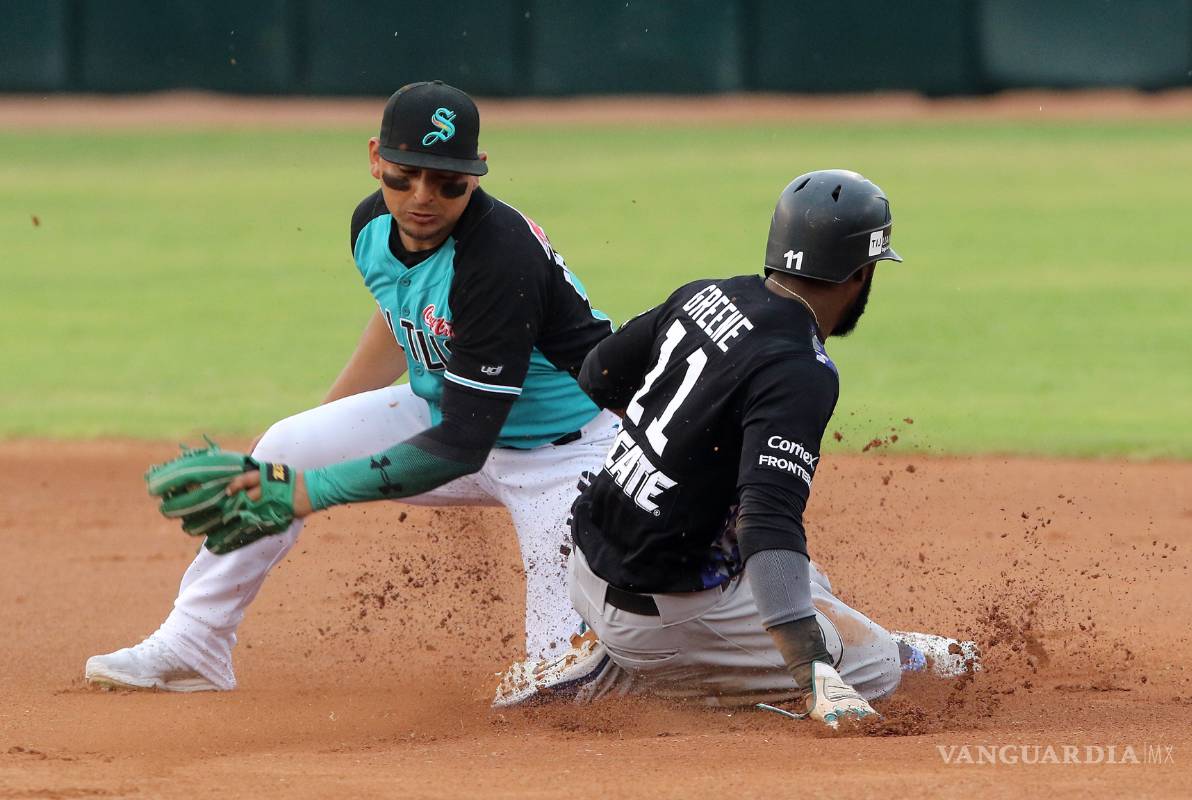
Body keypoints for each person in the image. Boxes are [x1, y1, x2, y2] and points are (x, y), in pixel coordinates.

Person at [85, 81, 618, 692]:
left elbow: (462, 445)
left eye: (448, 181)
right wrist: (321, 435)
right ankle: (193, 644)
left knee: (556, 688)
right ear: (375, 159)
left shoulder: (499, 258)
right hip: (446, 412)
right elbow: (403, 319)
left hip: (570, 454)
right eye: (404, 175)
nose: (422, 196)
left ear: (479, 174)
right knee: (285, 445)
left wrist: (309, 490)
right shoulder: (371, 226)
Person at [494, 170, 976, 724]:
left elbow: (597, 372)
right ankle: (626, 676)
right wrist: (815, 671)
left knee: (803, 580)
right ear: (860, 274)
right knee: (875, 666)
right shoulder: (801, 368)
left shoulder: (706, 293)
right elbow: (767, 522)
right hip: (661, 619)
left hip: (587, 558)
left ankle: (631, 651)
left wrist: (675, 450)